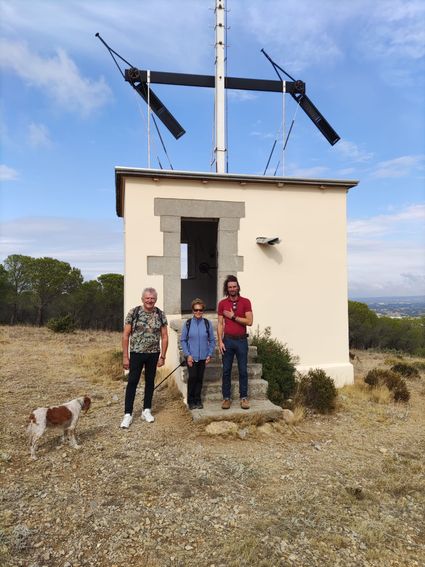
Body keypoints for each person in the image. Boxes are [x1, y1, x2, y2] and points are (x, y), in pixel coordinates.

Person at [120, 287, 168, 429]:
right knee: (132, 382)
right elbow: (125, 335)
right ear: (142, 299)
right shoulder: (134, 313)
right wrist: (125, 356)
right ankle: (128, 414)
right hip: (136, 353)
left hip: (153, 354)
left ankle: (146, 410)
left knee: (149, 382)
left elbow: (164, 336)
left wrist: (163, 356)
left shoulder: (160, 314)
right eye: (147, 298)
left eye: (152, 298)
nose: (149, 300)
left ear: (155, 300)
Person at [217, 275, 253, 410]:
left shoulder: (246, 302)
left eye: (234, 286)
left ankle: (243, 398)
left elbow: (249, 321)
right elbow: (220, 324)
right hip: (228, 341)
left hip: (241, 341)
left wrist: (233, 316)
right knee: (226, 371)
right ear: (227, 289)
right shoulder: (222, 304)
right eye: (230, 287)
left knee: (243, 370)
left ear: (238, 287)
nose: (232, 289)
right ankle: (226, 398)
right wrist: (220, 341)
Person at [180, 298, 216, 410]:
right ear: (192, 310)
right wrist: (188, 355)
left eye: (200, 310)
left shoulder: (207, 323)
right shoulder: (188, 324)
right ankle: (191, 401)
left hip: (203, 357)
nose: (198, 312)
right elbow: (183, 340)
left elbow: (212, 340)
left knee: (200, 378)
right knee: (193, 377)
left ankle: (198, 400)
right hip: (191, 357)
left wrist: (209, 354)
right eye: (196, 310)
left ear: (203, 310)